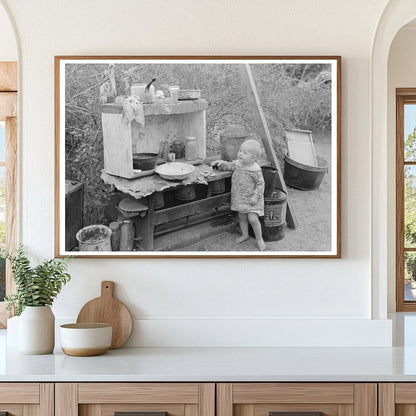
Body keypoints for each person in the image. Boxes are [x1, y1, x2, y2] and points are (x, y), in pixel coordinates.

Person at [212, 139, 266, 251]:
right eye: (240, 150)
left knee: (253, 219)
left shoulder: (255, 170)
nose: (240, 153)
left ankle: (259, 239)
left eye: (245, 153)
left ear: (254, 158)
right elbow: (229, 166)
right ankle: (245, 235)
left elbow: (261, 184)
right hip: (240, 198)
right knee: (242, 217)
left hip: (252, 199)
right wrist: (220, 164)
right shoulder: (237, 164)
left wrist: (255, 196)